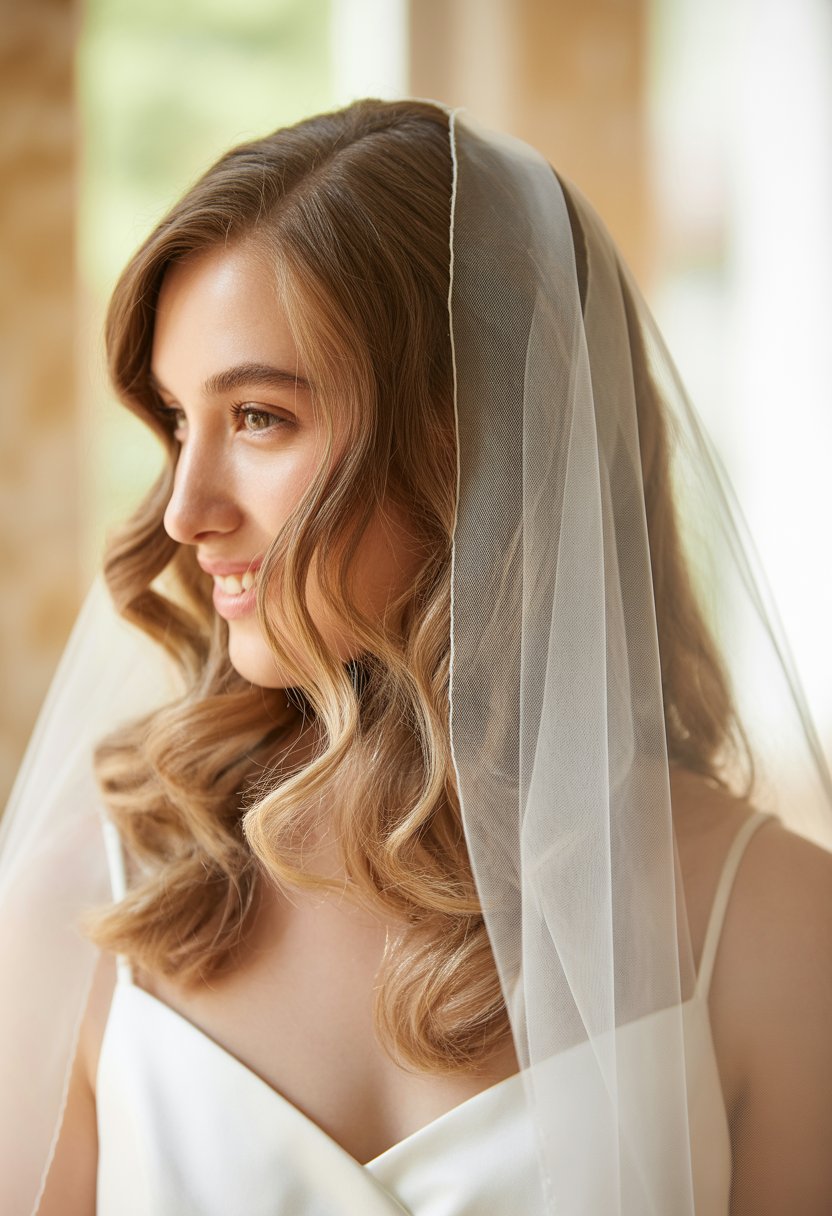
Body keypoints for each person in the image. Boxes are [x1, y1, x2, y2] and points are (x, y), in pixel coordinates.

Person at [2, 97, 831, 1216]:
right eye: (175, 421)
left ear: (474, 436)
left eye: (257, 418)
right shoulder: (94, 904)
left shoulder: (775, 931)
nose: (186, 510)